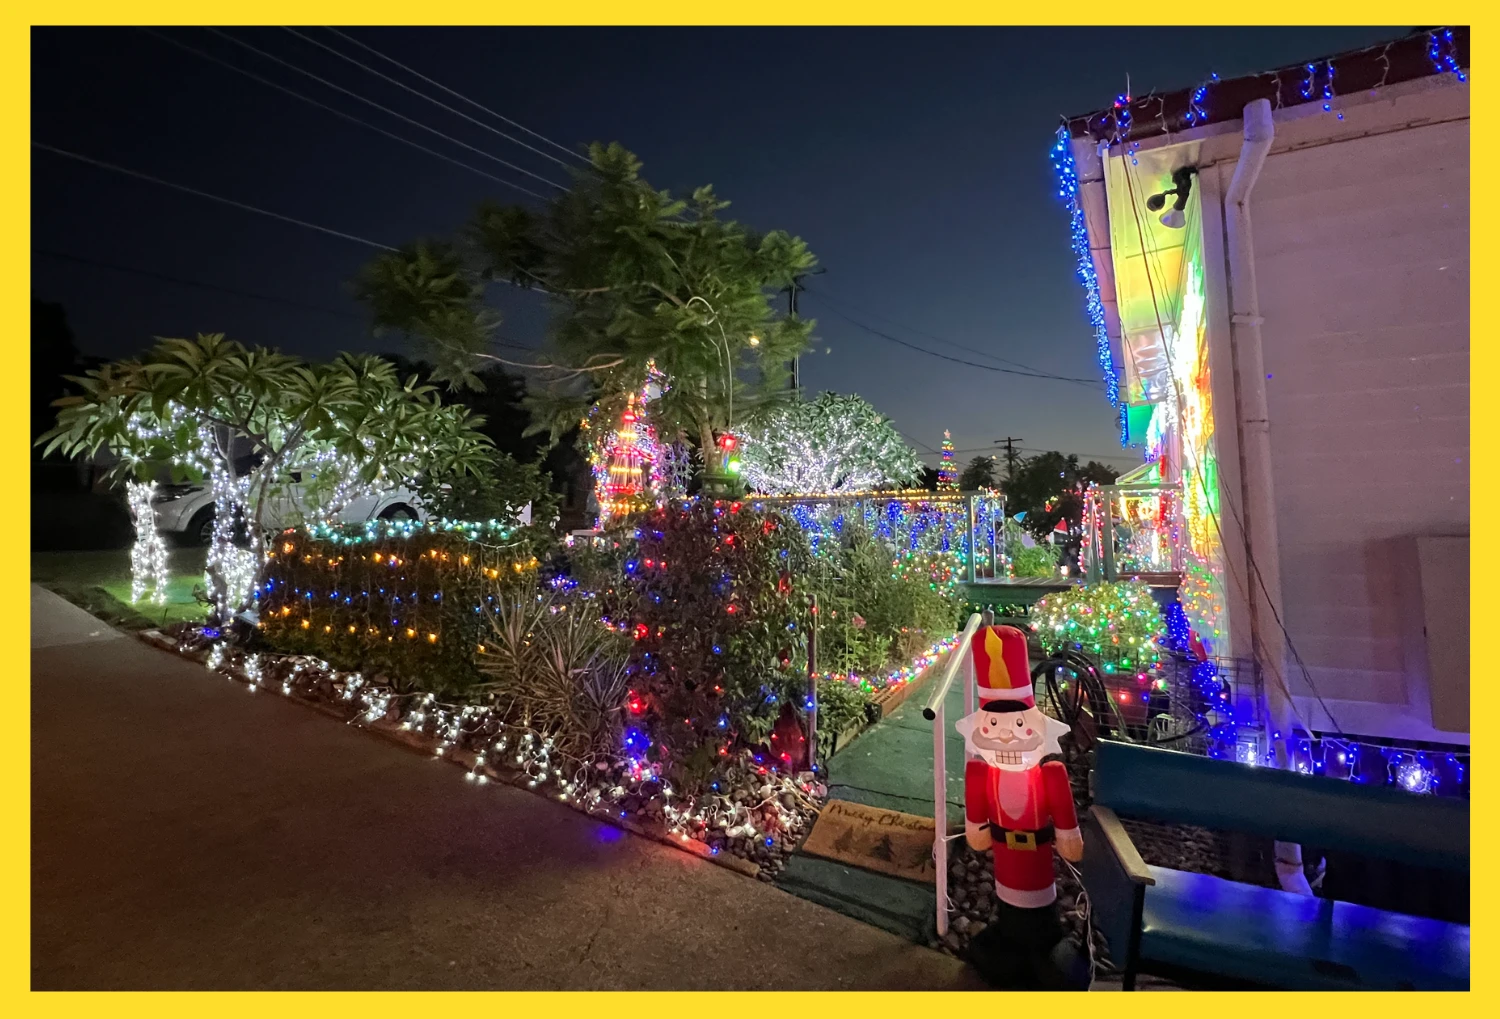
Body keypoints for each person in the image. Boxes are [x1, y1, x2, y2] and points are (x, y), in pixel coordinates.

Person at [956, 625, 1090, 989]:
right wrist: (976, 825)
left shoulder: (1048, 774)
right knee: (1010, 912)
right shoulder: (983, 774)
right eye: (994, 724)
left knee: (1038, 921)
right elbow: (977, 822)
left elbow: (1065, 821)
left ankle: (1045, 941)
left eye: (1017, 723)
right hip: (1005, 860)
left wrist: (1067, 833)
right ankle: (1012, 938)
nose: (1005, 734)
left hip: (1036, 856)